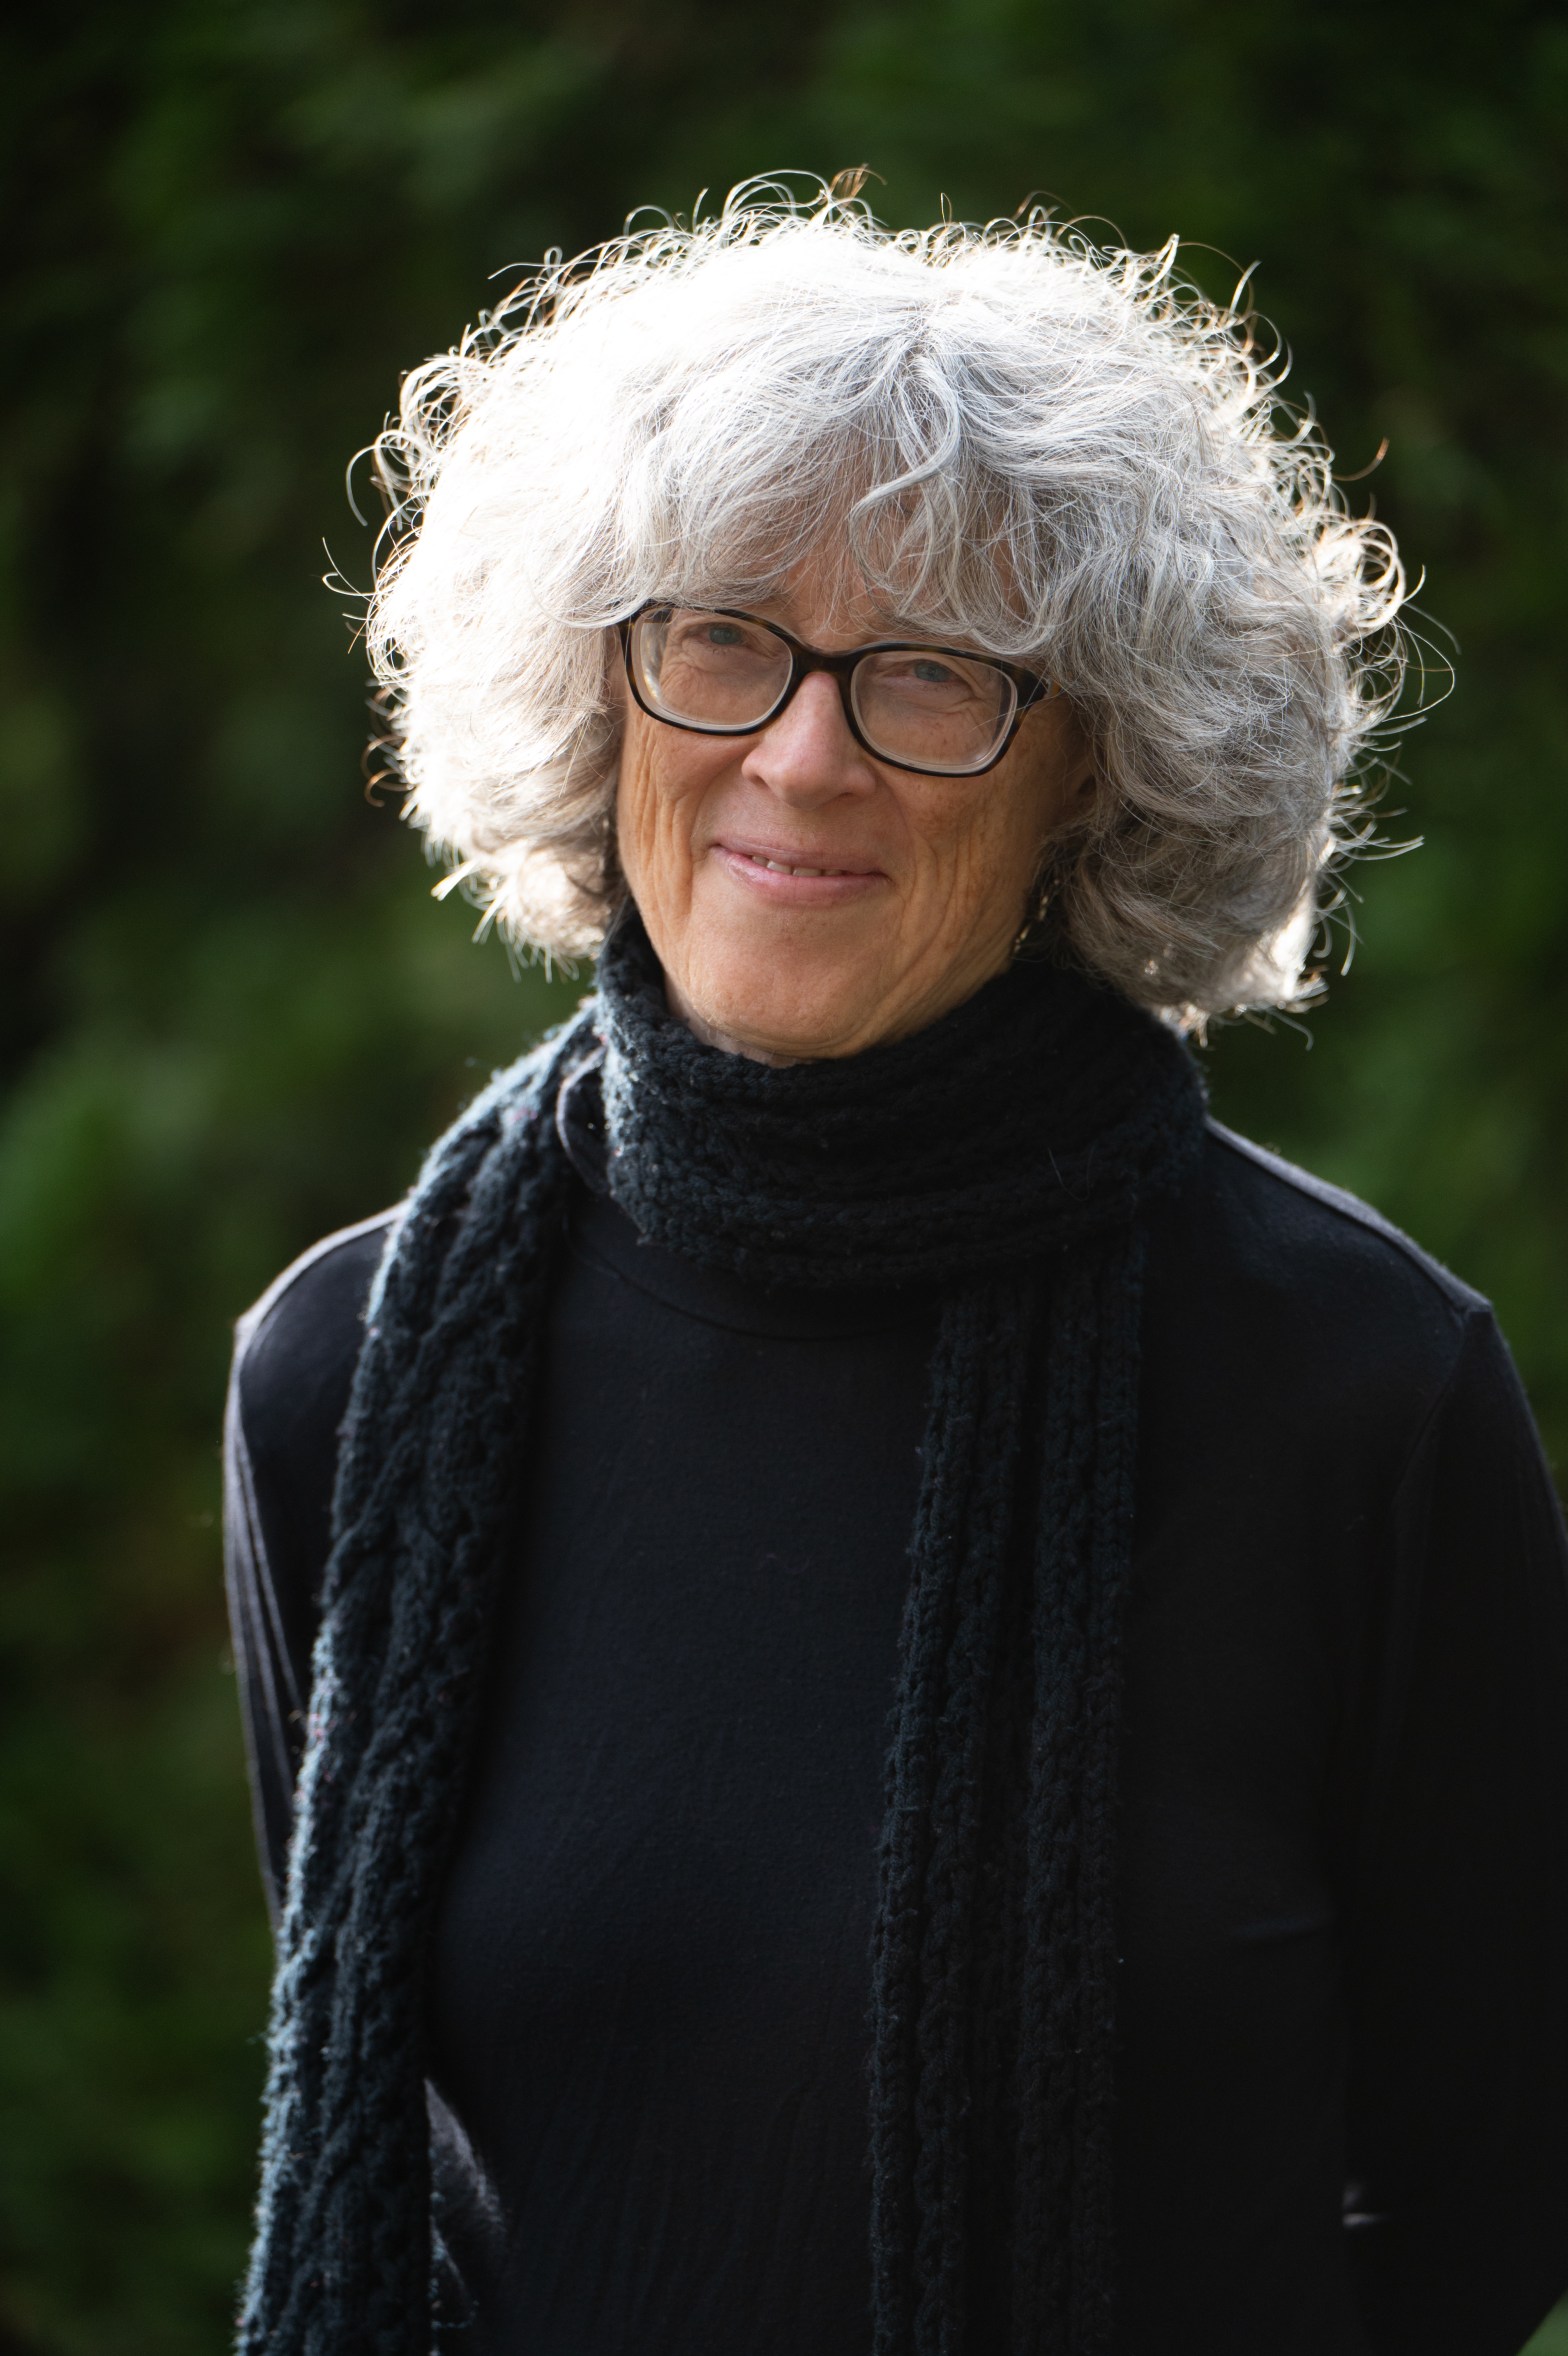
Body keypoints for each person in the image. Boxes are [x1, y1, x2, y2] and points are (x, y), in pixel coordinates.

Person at [222, 186, 1568, 2356]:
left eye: (931, 671)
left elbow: (1487, 2196)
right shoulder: (349, 1372)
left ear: (1093, 773)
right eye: (722, 634)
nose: (802, 749)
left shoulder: (1357, 1389)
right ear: (607, 679)